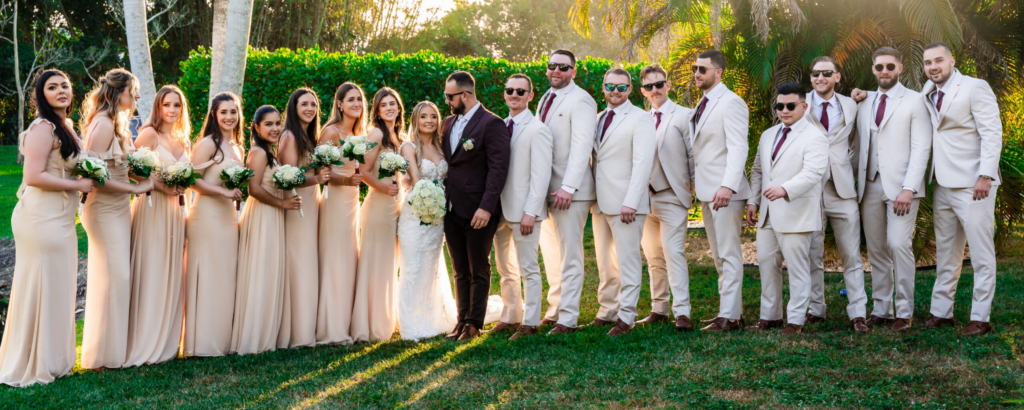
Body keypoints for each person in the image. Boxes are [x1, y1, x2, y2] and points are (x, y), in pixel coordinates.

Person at [0, 69, 93, 387]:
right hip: (40, 218)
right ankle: (33, 362)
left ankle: (54, 360)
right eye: (52, 87)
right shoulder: (43, 127)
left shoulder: (66, 127)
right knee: (42, 285)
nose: (61, 91)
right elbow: (33, 176)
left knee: (58, 286)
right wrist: (78, 184)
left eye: (65, 85)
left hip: (61, 218)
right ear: (42, 95)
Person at [920, 41, 1002, 336]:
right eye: (928, 62)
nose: (933, 67)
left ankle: (981, 318)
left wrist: (986, 175)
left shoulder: (975, 87)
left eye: (938, 60)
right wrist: (865, 95)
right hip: (942, 183)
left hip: (974, 184)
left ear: (951, 61)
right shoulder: (928, 91)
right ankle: (942, 313)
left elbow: (992, 132)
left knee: (981, 253)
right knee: (946, 252)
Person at [851, 47, 932, 332]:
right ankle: (882, 309)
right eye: (879, 67)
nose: (884, 71)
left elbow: (921, 147)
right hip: (870, 185)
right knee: (876, 250)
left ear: (900, 68)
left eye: (889, 66)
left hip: (902, 188)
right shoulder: (864, 101)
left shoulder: (915, 100)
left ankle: (904, 311)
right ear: (873, 70)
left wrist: (909, 188)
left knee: (898, 245)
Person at [80, 68, 154, 370]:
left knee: (114, 277)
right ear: (117, 92)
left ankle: (111, 352)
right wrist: (136, 189)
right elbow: (95, 176)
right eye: (132, 90)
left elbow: (120, 167)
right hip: (103, 209)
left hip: (119, 208)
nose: (137, 95)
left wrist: (149, 176)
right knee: (116, 277)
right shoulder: (101, 124)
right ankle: (102, 357)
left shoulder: (116, 122)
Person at [745, 82, 829, 335]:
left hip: (796, 212)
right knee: (766, 263)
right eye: (779, 106)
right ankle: (770, 316)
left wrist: (785, 189)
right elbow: (758, 170)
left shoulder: (815, 136)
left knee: (797, 268)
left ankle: (796, 320)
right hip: (767, 214)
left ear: (804, 106)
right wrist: (753, 201)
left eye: (790, 106)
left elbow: (813, 172)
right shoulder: (768, 135)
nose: (784, 110)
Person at [440, 71, 511, 341]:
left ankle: (474, 323)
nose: (447, 101)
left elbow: (498, 169)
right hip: (451, 209)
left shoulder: (492, 123)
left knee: (478, 267)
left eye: (450, 96)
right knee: (460, 269)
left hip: (478, 209)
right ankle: (461, 321)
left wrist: (486, 207)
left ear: (465, 95)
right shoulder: (448, 123)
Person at [124, 85, 191, 366]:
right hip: (152, 210)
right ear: (158, 107)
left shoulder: (183, 140)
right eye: (167, 105)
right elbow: (130, 169)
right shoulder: (150, 134)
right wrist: (161, 186)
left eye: (177, 105)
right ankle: (144, 342)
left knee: (171, 272)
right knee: (152, 270)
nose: (172, 110)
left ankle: (166, 344)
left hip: (176, 212)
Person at [802, 57, 869, 333]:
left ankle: (858, 313)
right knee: (811, 253)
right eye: (815, 73)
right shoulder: (798, 103)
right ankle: (815, 309)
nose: (820, 77)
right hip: (809, 190)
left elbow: (856, 144)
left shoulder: (852, 104)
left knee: (852, 254)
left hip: (843, 191)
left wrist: (845, 170)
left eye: (826, 73)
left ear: (837, 77)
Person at [535, 50, 599, 334]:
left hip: (570, 192)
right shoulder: (544, 98)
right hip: (546, 191)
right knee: (551, 255)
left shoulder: (582, 100)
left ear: (574, 71)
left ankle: (569, 318)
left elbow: (582, 146)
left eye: (563, 67)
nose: (556, 71)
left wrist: (568, 187)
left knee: (570, 256)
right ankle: (555, 309)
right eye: (552, 66)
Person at [689, 49, 752, 332]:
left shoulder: (731, 102)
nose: (697, 73)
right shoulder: (702, 103)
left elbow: (739, 147)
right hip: (707, 192)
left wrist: (728, 186)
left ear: (719, 72)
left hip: (726, 193)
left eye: (702, 69)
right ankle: (730, 312)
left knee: (728, 253)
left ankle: (729, 316)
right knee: (719, 256)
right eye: (695, 69)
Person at [231, 105, 303, 355]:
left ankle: (267, 334)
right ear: (257, 128)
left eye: (277, 123)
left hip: (272, 215)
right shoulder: (258, 152)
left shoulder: (270, 152)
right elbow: (253, 189)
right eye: (268, 124)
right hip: (262, 214)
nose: (274, 128)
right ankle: (254, 338)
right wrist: (283, 204)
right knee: (260, 270)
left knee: (269, 270)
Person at [590, 68, 656, 337]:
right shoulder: (597, 118)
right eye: (610, 86)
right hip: (600, 202)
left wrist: (631, 202)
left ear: (629, 89)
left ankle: (626, 316)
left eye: (621, 87)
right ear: (603, 88)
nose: (615, 91)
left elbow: (643, 163)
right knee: (605, 261)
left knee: (628, 260)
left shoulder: (641, 119)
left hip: (627, 204)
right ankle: (607, 310)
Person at [183, 92, 245, 357]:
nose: (229, 117)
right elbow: (191, 180)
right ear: (214, 115)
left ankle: (222, 339)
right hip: (206, 216)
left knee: (225, 275)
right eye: (224, 112)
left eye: (233, 112)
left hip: (228, 216)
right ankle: (202, 344)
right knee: (207, 275)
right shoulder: (208, 144)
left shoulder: (238, 148)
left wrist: (235, 192)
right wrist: (223, 192)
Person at [493, 74, 554, 340]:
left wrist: (531, 211)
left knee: (528, 268)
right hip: (499, 210)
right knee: (505, 268)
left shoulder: (537, 129)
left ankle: (530, 323)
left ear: (530, 95)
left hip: (524, 212)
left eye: (520, 91)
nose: (514, 95)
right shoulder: (499, 125)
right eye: (510, 90)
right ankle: (510, 316)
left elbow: (541, 175)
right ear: (505, 93)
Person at [636, 63, 696, 331]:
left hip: (672, 196)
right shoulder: (640, 119)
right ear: (643, 91)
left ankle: (682, 312)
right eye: (649, 86)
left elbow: (693, 155)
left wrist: (692, 189)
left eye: (659, 84)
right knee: (653, 257)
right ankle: (659, 309)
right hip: (644, 200)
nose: (655, 89)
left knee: (674, 254)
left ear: (668, 85)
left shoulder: (684, 115)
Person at [396, 101, 461, 341]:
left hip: (437, 215)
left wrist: (439, 202)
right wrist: (427, 197)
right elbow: (415, 179)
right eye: (423, 116)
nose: (429, 121)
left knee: (431, 266)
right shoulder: (408, 147)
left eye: (433, 116)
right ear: (415, 119)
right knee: (412, 265)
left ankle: (432, 317)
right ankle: (411, 322)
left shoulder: (443, 147)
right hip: (414, 214)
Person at [351, 87, 405, 342]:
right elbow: (362, 171)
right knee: (376, 264)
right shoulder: (375, 134)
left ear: (399, 107)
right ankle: (370, 323)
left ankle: (386, 317)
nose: (389, 108)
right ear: (377, 111)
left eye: (392, 103)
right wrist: (384, 188)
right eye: (384, 105)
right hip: (378, 207)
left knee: (389, 263)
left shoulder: (399, 136)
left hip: (396, 206)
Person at [276, 87, 328, 349]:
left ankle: (309, 326)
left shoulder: (310, 137)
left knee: (309, 261)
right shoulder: (289, 136)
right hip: (297, 205)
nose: (310, 109)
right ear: (293, 108)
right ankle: (298, 332)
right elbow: (288, 177)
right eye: (304, 104)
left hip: (312, 202)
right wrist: (317, 178)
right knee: (300, 262)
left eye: (313, 104)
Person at [316, 82, 365, 345]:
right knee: (336, 258)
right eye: (351, 99)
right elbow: (321, 173)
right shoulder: (331, 132)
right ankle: (332, 326)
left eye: (359, 99)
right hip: (335, 201)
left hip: (352, 201)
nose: (356, 104)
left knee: (348, 258)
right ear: (340, 104)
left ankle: (347, 320)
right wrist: (346, 181)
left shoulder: (357, 133)